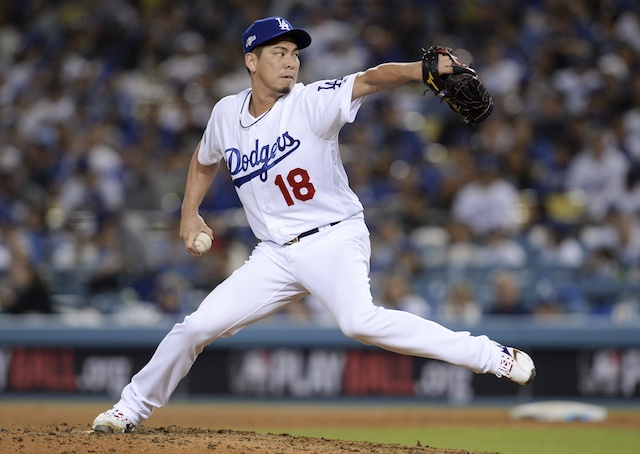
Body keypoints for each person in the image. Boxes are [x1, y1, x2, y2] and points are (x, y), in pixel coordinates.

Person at [92, 16, 536, 434]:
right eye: (278, 52)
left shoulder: (310, 102)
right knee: (194, 327)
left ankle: (488, 355)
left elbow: (370, 78)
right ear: (251, 60)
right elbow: (204, 159)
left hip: (334, 238)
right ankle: (129, 409)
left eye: (294, 53)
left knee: (359, 322)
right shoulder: (227, 114)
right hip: (274, 255)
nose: (290, 61)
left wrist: (420, 70)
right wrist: (189, 214)